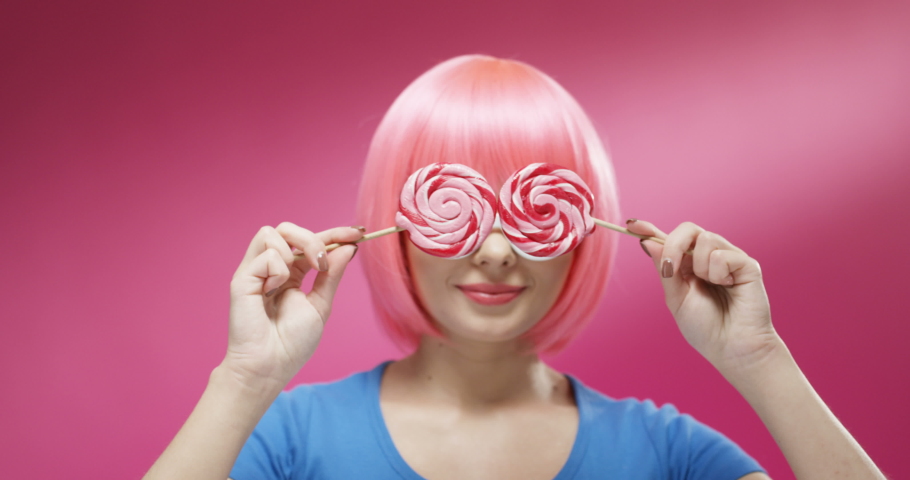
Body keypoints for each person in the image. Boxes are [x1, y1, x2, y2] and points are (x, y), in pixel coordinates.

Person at [145, 55, 885, 480]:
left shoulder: (663, 453)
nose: (497, 250)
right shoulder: (291, 438)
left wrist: (760, 359)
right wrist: (245, 378)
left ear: (577, 228)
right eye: (460, 204)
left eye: (530, 212)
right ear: (399, 227)